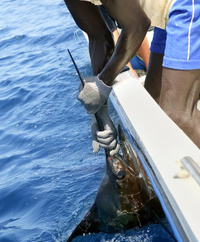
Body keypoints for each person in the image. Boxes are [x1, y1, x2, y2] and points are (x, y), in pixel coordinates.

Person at [64, 0, 200, 151]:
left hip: (187, 5)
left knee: (177, 116)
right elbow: (98, 37)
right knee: (152, 106)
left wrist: (102, 84)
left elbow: (138, 25)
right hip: (167, 16)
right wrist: (100, 114)